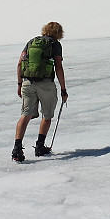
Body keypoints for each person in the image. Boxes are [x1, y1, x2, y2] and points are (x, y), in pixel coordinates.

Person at [13, 21, 68, 162]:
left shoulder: (31, 42)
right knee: (47, 115)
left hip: (28, 82)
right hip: (46, 85)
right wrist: (63, 88)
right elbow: (58, 67)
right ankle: (40, 146)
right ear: (59, 33)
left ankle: (17, 148)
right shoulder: (55, 45)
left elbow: (20, 63)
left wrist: (20, 84)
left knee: (25, 115)